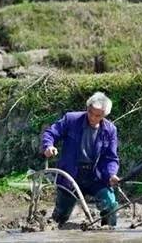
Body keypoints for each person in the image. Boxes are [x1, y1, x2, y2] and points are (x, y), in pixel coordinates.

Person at [42, 92, 120, 227]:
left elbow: (110, 158)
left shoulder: (110, 130)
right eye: (91, 113)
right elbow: (51, 133)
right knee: (60, 217)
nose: (93, 118)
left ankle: (108, 232)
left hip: (96, 177)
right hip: (71, 175)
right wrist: (48, 146)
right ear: (87, 108)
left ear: (104, 115)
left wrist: (111, 174)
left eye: (98, 115)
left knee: (111, 206)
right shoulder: (71, 120)